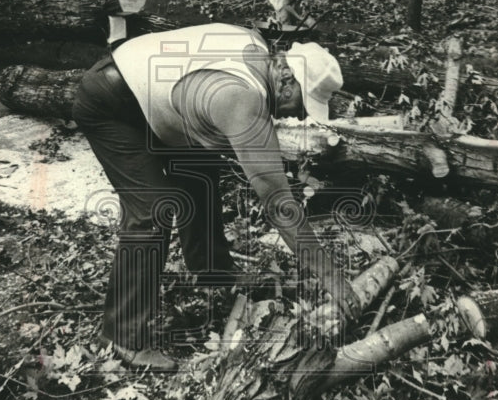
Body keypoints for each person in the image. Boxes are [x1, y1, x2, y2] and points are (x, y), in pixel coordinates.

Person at [73, 23, 358, 371]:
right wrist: (333, 280)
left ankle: (213, 271)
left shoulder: (256, 48)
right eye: (302, 106)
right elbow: (279, 205)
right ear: (286, 81)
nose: (297, 116)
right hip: (111, 104)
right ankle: (122, 338)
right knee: (153, 208)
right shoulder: (241, 96)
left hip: (144, 91)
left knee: (201, 169)